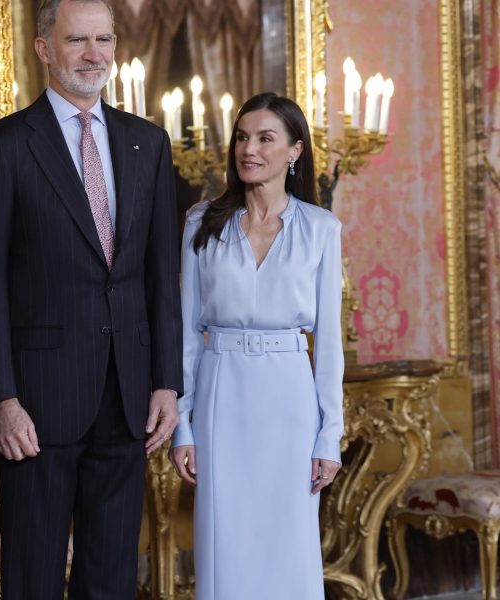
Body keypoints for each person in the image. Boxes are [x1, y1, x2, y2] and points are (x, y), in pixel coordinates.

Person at [0, 0, 183, 596]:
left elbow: (161, 274)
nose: (93, 54)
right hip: (36, 401)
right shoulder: (2, 146)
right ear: (44, 49)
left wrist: (167, 381)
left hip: (128, 396)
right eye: (77, 40)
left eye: (103, 39)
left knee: (111, 576)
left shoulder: (148, 143)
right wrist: (1, 397)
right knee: (33, 576)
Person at [169, 92, 344, 599]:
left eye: (266, 138)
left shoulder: (321, 229)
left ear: (295, 150)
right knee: (226, 543)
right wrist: (183, 425)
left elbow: (329, 344)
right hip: (221, 395)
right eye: (243, 137)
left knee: (288, 541)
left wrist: (328, 436)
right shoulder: (202, 222)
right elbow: (186, 333)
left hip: (290, 400)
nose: (249, 149)